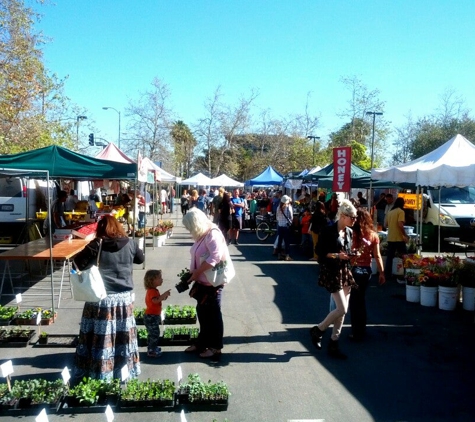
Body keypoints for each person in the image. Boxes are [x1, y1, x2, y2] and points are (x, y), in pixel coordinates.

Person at [73, 215, 145, 381]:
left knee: (100, 336)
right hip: (124, 299)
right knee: (123, 337)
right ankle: (124, 370)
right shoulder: (130, 243)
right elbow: (140, 259)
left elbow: (77, 264)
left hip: (100, 298)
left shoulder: (96, 245)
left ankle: (99, 372)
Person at [310, 199, 358, 359]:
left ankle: (334, 342)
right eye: (352, 217)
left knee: (342, 312)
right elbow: (320, 252)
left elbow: (347, 251)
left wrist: (352, 255)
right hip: (331, 272)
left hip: (344, 271)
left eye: (355, 218)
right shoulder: (329, 230)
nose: (354, 220)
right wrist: (338, 255)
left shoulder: (349, 232)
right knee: (342, 309)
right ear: (343, 216)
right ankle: (319, 329)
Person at [182, 208, 228, 361]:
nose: (189, 231)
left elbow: (215, 258)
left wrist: (196, 272)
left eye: (190, 227)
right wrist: (193, 273)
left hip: (213, 282)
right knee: (203, 313)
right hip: (203, 281)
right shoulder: (203, 233)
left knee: (213, 315)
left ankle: (215, 348)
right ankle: (202, 342)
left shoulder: (212, 234)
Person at [349, 209, 385, 341]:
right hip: (367, 270)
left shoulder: (352, 233)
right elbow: (377, 256)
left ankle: (356, 332)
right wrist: (381, 273)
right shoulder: (373, 235)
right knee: (362, 300)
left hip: (354, 269)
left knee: (354, 302)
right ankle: (362, 329)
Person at [143, 269, 171, 358]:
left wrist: (163, 297)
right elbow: (155, 301)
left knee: (153, 333)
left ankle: (152, 347)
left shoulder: (154, 290)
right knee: (154, 333)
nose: (161, 279)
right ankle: (151, 350)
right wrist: (164, 295)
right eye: (159, 278)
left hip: (153, 315)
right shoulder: (152, 291)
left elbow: (157, 299)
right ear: (152, 281)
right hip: (151, 316)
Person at [384, 197, 409, 280]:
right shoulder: (401, 212)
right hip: (399, 238)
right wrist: (405, 234)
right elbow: (400, 224)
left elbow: (385, 224)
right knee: (405, 256)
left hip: (390, 237)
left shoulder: (390, 212)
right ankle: (406, 274)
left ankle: (387, 274)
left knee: (389, 257)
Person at [275, 195, 293, 261]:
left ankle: (279, 255)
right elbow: (291, 217)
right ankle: (287, 255)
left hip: (280, 226)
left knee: (280, 241)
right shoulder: (288, 207)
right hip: (286, 226)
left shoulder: (278, 207)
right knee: (287, 241)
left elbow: (277, 217)